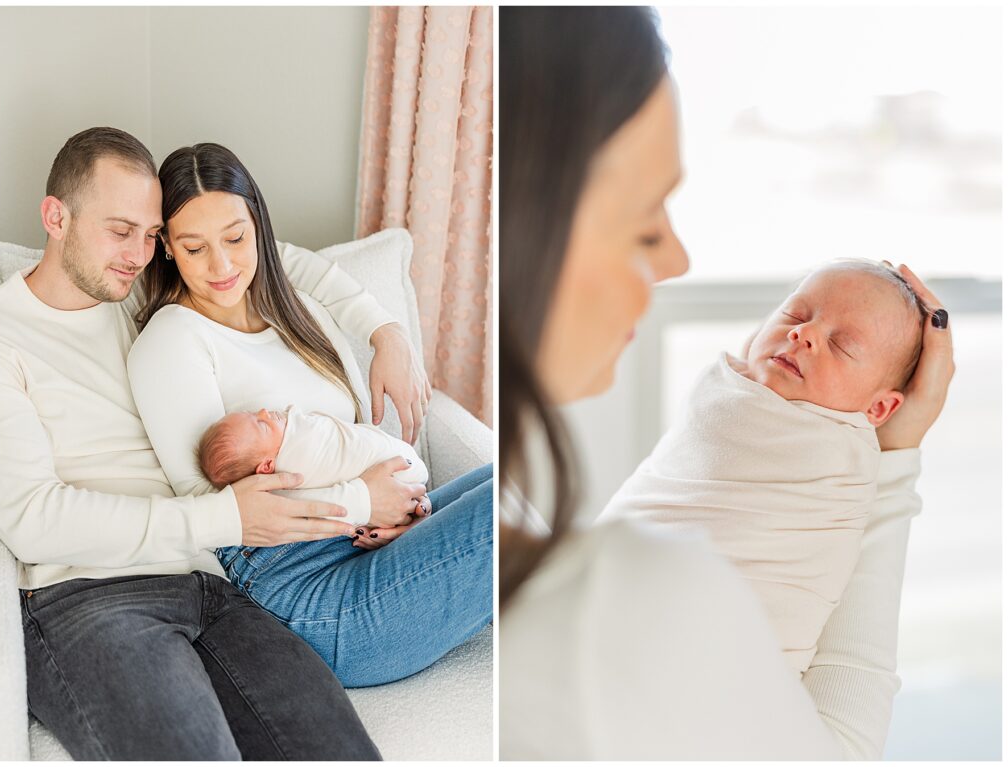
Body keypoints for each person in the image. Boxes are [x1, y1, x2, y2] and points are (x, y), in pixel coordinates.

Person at [499, 7, 954, 760]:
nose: (676, 258)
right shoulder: (654, 596)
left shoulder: (505, 520)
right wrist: (899, 462)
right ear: (533, 225)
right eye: (647, 222)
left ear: (878, 405)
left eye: (840, 341)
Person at [0, 126, 433, 759]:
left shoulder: (138, 284)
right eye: (120, 230)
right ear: (55, 216)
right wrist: (224, 515)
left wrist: (386, 331)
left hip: (210, 586)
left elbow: (283, 260)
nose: (139, 252)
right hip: (89, 595)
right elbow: (31, 519)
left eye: (151, 236)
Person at [126, 142, 492, 688]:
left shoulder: (286, 308)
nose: (223, 265)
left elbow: (299, 266)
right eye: (195, 247)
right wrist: (366, 502)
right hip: (311, 596)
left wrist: (386, 332)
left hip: (368, 536)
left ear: (257, 227)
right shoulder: (171, 342)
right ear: (168, 249)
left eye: (235, 238)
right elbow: (217, 517)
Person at [600, 260, 930, 675]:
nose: (803, 334)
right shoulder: (724, 393)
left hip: (724, 668)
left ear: (879, 408)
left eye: (842, 345)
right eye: (794, 314)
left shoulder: (843, 458)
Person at [197, 407, 428, 502]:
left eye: (254, 413)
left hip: (403, 476)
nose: (265, 411)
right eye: (262, 425)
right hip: (398, 476)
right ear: (266, 467)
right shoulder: (295, 463)